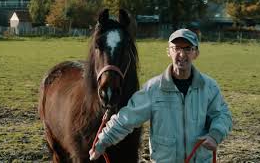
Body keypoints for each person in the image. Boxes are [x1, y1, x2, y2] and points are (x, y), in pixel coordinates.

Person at [89, 29, 233, 162]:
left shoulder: (209, 87)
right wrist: (102, 141)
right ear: (168, 52)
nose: (181, 54)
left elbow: (222, 115)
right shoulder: (153, 89)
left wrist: (215, 135)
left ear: (196, 53)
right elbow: (126, 118)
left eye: (188, 49)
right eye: (176, 48)